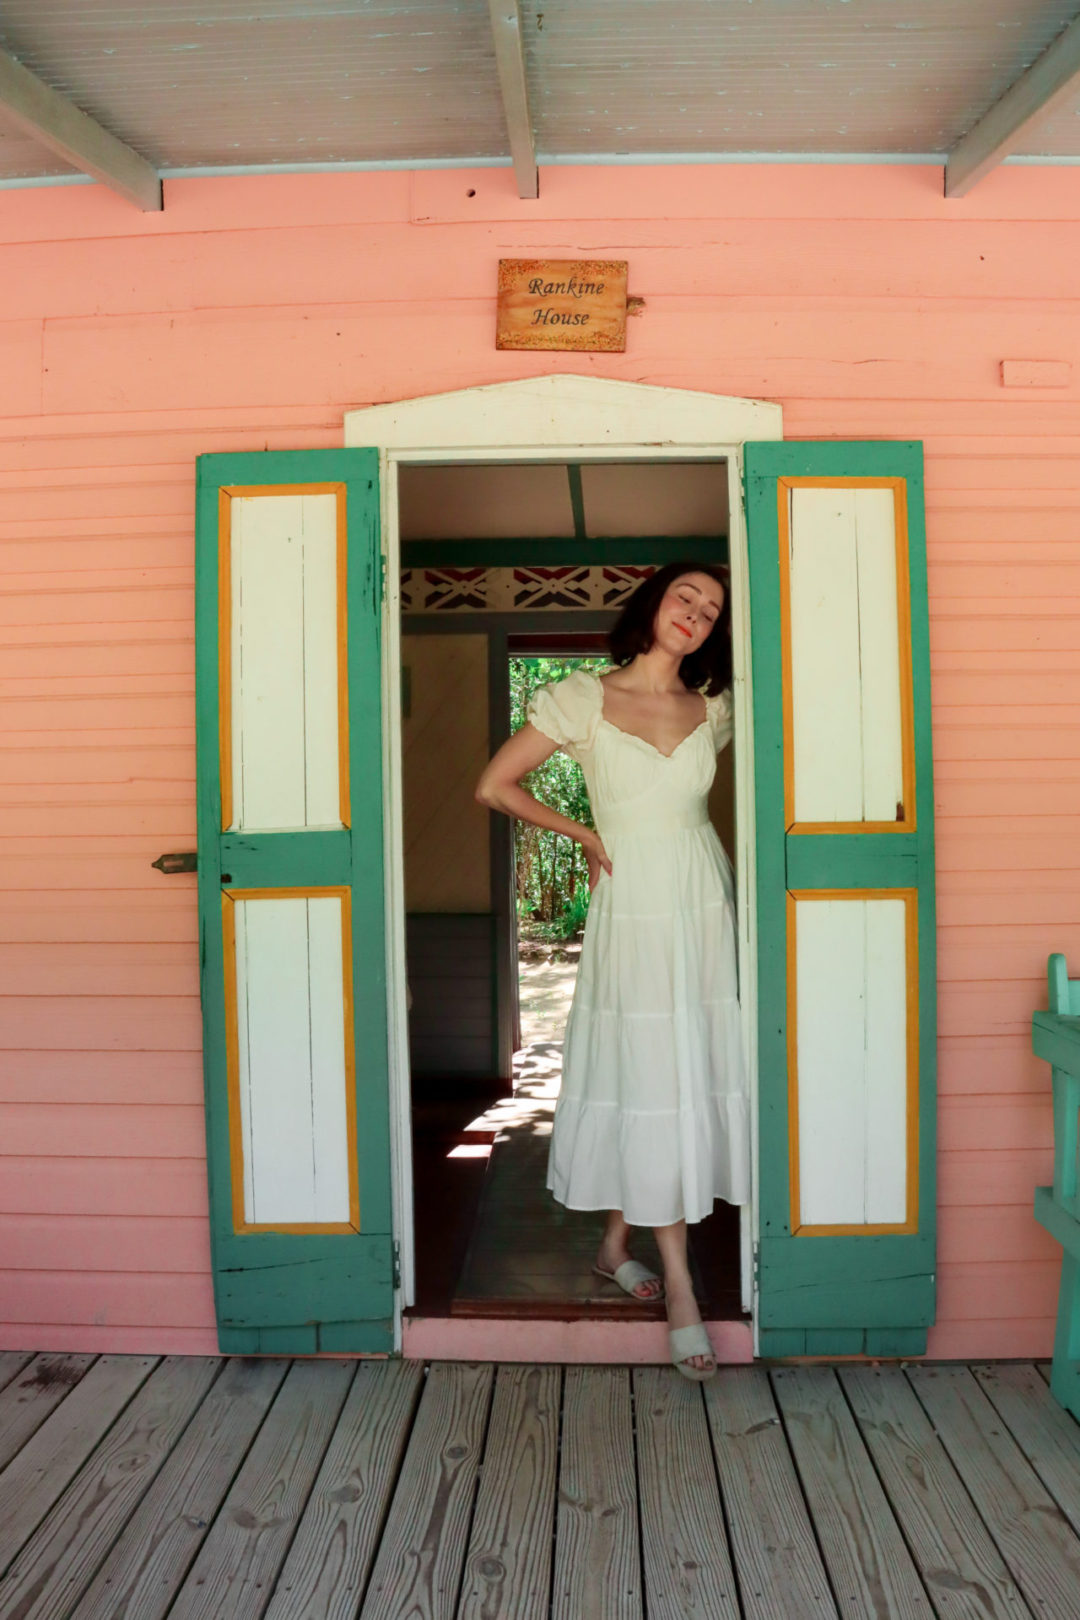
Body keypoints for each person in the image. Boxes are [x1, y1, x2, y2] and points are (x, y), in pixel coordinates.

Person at [475, 562, 749, 1379]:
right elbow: (495, 785)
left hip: (701, 901)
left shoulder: (718, 708)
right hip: (630, 907)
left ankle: (613, 1246)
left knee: (677, 1073)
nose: (695, 616)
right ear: (653, 604)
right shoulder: (583, 698)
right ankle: (681, 1289)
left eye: (711, 611)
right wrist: (586, 837)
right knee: (647, 1072)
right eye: (684, 598)